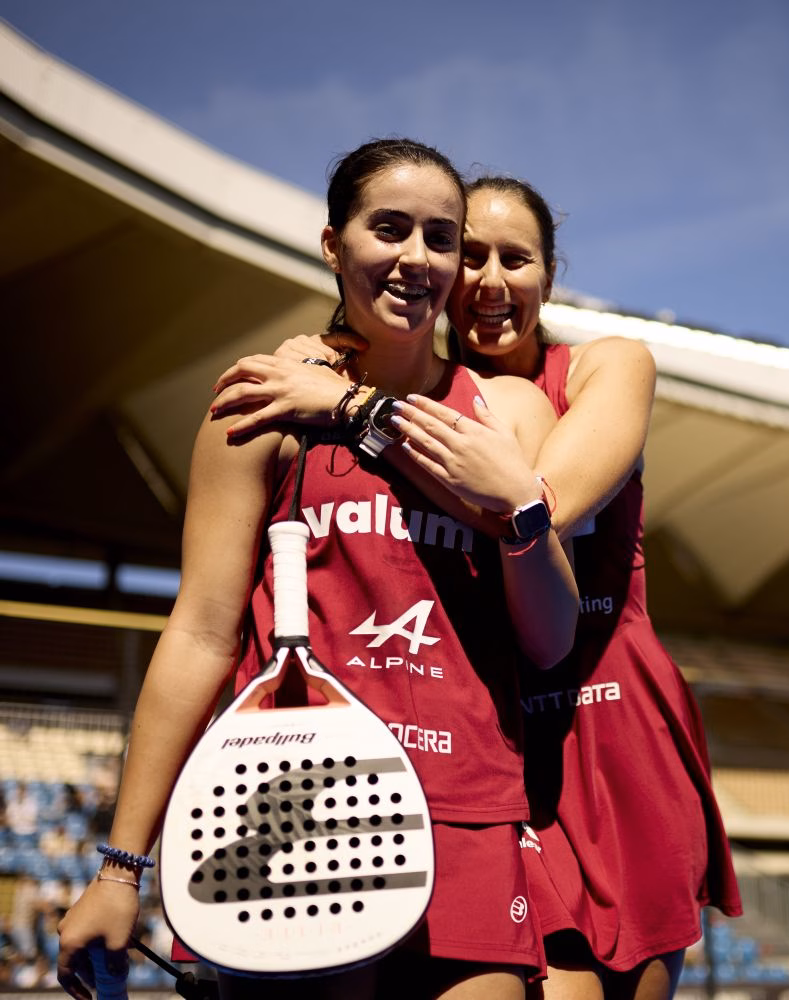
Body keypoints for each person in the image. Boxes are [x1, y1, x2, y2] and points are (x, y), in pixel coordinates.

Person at [56, 138, 579, 1000]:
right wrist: (121, 868)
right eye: (389, 229)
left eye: (440, 237)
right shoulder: (261, 407)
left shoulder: (506, 412)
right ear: (334, 245)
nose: (418, 258)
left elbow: (551, 640)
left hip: (469, 809)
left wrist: (520, 512)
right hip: (288, 802)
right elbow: (200, 631)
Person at [212, 174, 742, 1000]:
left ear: (551, 275)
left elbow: (536, 505)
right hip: (490, 740)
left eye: (518, 259)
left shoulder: (604, 367)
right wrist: (325, 363)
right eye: (477, 257)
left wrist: (352, 404)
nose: (492, 282)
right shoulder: (436, 396)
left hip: (604, 728)